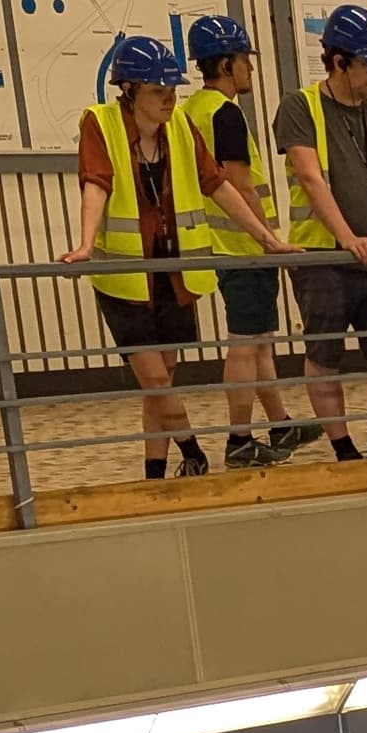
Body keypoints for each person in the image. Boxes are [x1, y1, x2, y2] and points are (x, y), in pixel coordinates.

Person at [59, 34, 219, 478]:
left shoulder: (180, 126)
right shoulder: (101, 123)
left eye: (172, 90)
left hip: (172, 275)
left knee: (159, 385)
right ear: (128, 91)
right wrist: (85, 244)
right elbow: (96, 182)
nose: (169, 99)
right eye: (157, 91)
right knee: (155, 379)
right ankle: (194, 450)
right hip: (126, 279)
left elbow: (215, 182)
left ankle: (155, 474)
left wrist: (266, 237)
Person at [275, 3, 367, 463]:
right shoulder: (301, 107)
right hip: (326, 261)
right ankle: (344, 451)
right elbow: (310, 176)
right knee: (325, 356)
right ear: (339, 62)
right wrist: (346, 238)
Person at [178, 15, 305, 465]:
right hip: (242, 246)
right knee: (245, 346)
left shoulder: (190, 110)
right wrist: (270, 239)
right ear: (226, 64)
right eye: (244, 60)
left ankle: (281, 424)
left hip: (215, 242)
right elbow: (240, 184)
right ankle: (239, 439)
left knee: (259, 342)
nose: (250, 68)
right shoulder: (225, 114)